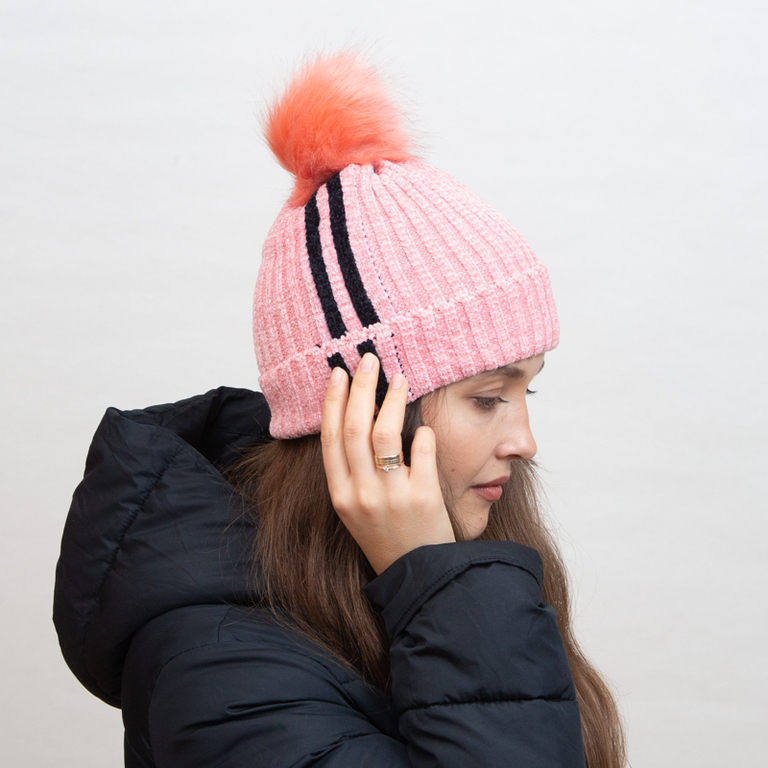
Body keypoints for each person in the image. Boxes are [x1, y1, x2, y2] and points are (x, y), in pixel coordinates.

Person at [54, 52, 626, 767]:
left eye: (526, 391)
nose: (524, 440)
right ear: (362, 410)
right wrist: (430, 577)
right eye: (487, 398)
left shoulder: (443, 558)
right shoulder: (218, 675)